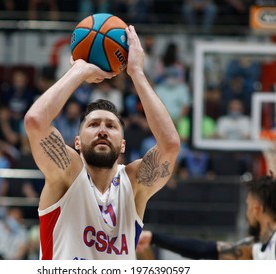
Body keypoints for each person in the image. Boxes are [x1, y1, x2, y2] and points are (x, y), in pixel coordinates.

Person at [24, 25, 180, 260]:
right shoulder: (68, 174)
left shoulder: (134, 182)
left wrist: (136, 72)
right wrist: (79, 70)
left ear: (123, 144)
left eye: (111, 126)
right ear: (76, 142)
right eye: (93, 124)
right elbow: (36, 121)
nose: (102, 130)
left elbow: (170, 144)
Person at [136, 173, 276, 260]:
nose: (247, 213)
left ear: (257, 208)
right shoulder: (256, 248)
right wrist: (155, 238)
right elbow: (204, 249)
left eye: (248, 206)